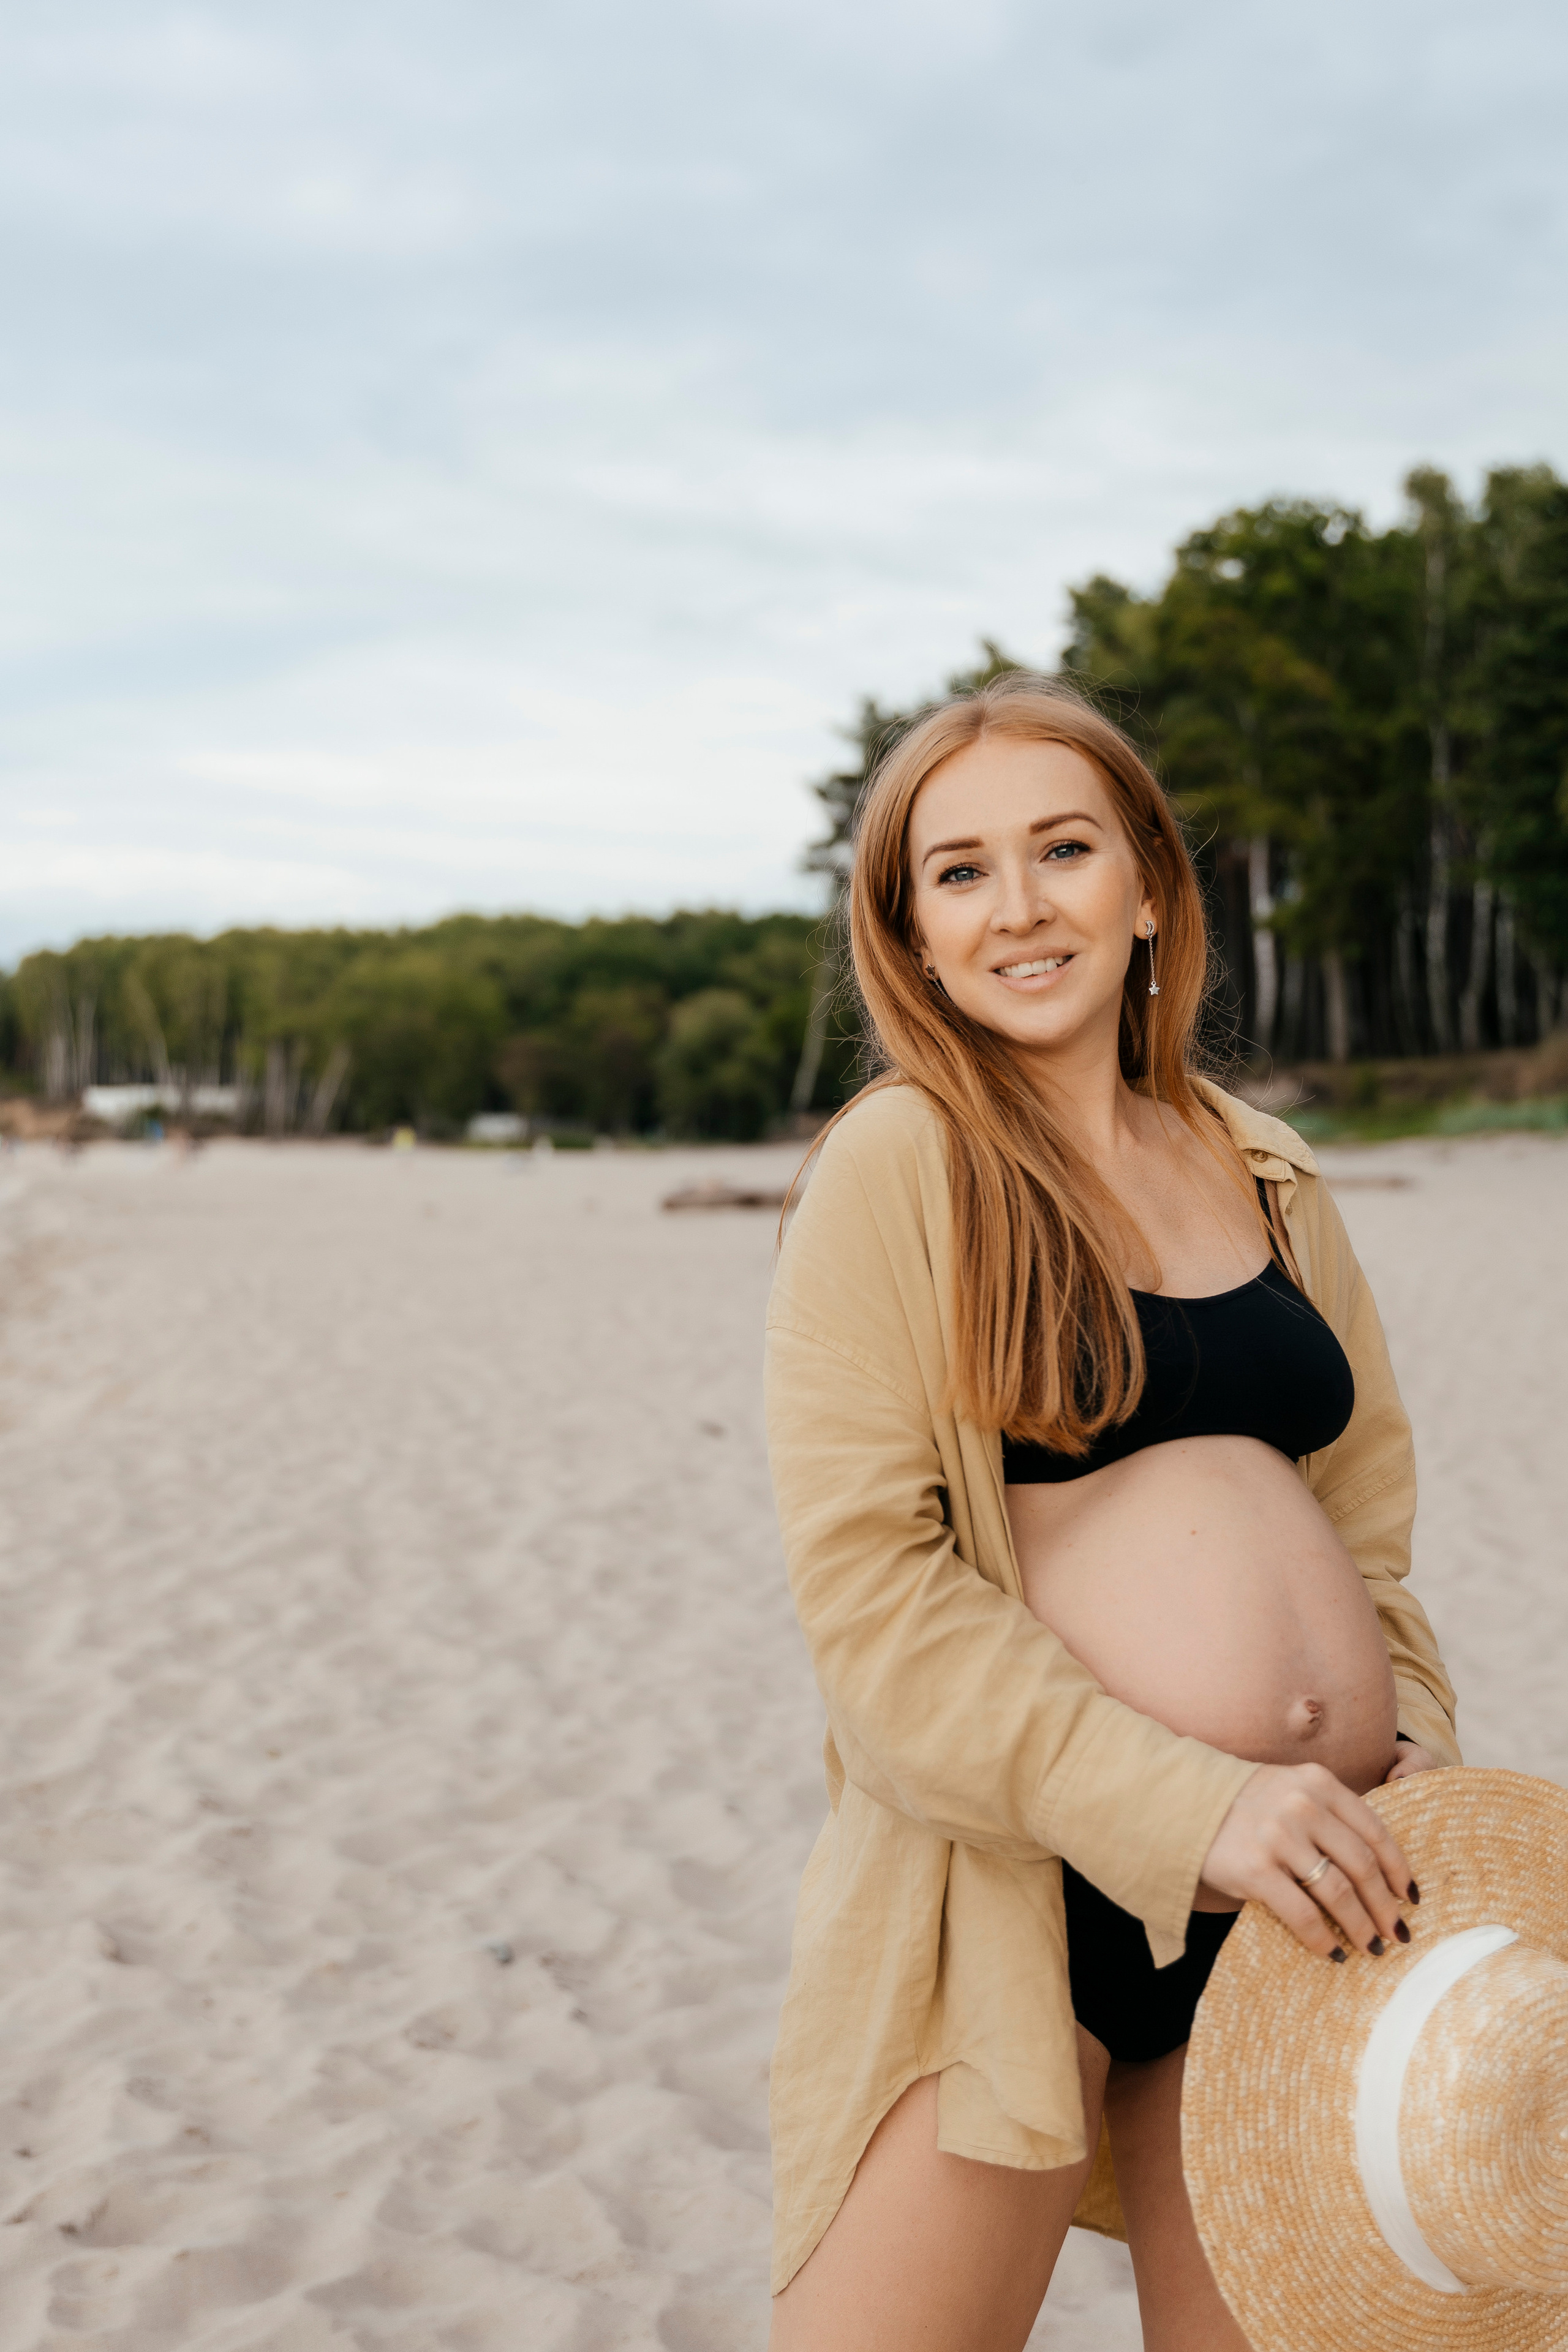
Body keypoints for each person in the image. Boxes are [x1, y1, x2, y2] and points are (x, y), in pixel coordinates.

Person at [763, 674, 1458, 2352]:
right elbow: (876, 1605)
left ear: (1147, 886)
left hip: (1297, 1909)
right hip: (1024, 1897)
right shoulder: (902, 1164)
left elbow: (1365, 1535)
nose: (1019, 906)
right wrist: (1195, 1805)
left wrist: (1414, 1753)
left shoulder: (1264, 1168)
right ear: (912, 935)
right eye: (960, 871)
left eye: (1063, 849)